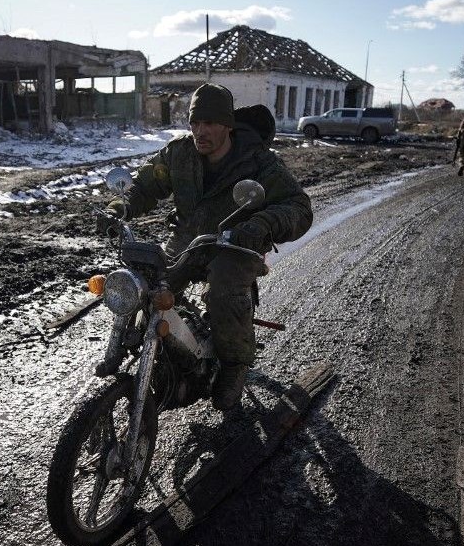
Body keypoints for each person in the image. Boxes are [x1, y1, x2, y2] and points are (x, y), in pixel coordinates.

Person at [97, 83, 313, 410]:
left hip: (237, 243)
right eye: (195, 123)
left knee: (224, 290)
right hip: (190, 238)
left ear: (228, 125)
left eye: (210, 123)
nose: (201, 131)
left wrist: (261, 224)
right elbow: (145, 186)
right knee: (149, 284)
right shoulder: (179, 153)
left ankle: (234, 365)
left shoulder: (257, 161)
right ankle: (155, 351)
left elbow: (298, 207)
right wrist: (120, 207)